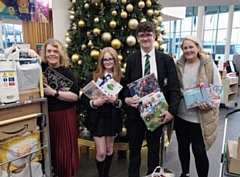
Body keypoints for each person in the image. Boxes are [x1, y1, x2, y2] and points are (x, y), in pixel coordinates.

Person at [123, 21, 181, 177]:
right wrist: (127, 99)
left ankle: (152, 175)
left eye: (148, 35)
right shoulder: (132, 59)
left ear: (154, 36)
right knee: (134, 152)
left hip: (158, 113)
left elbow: (174, 88)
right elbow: (125, 85)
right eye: (142, 36)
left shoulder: (166, 60)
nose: (145, 38)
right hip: (136, 114)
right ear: (137, 38)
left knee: (154, 152)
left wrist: (171, 112)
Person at [175, 36, 222, 177]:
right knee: (183, 148)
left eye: (191, 47)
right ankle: (185, 173)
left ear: (198, 48)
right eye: (185, 48)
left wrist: (210, 104)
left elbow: (217, 88)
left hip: (200, 118)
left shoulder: (208, 64)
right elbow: (174, 85)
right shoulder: (178, 65)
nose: (188, 50)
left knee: (199, 150)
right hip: (181, 115)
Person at [81, 47, 124, 177]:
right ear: (101, 61)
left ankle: (106, 174)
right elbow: (83, 99)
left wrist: (116, 101)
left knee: (109, 149)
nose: (108, 62)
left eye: (110, 59)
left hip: (112, 118)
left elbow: (124, 101)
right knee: (101, 151)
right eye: (105, 59)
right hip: (97, 118)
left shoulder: (121, 78)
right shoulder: (94, 76)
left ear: (115, 60)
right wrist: (94, 103)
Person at [40, 39, 80, 177]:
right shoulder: (41, 68)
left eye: (55, 51)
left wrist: (54, 93)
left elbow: (75, 96)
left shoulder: (66, 72)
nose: (52, 54)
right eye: (49, 51)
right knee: (49, 149)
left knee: (63, 150)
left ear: (61, 53)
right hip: (46, 115)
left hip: (64, 114)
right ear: (45, 53)